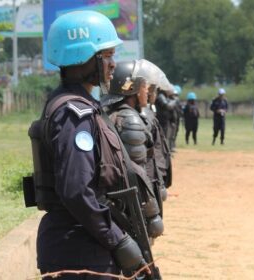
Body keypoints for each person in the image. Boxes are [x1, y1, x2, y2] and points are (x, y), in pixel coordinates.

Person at [27, 11, 149, 279]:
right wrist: (117, 240)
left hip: (86, 243)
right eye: (107, 55)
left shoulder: (82, 106)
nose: (113, 64)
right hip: (79, 248)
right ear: (84, 57)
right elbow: (77, 190)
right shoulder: (73, 113)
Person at [102, 60, 164, 241]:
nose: (147, 91)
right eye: (144, 87)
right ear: (132, 89)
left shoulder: (110, 113)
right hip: (128, 209)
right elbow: (135, 173)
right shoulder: (130, 120)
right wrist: (152, 214)